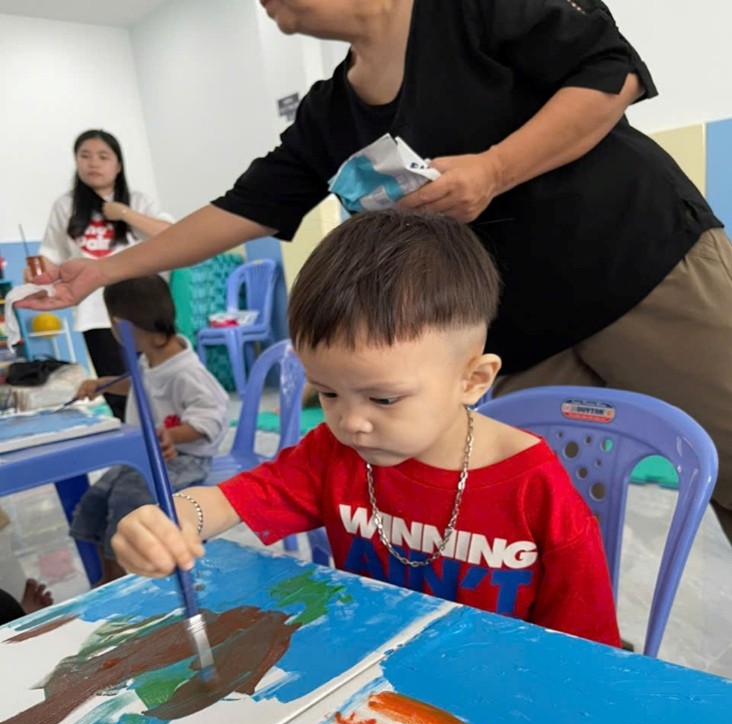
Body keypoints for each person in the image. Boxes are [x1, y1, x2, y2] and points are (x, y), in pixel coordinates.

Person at [20, 2, 732, 548]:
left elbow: (611, 71)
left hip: (645, 268)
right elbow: (243, 208)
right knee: (545, 529)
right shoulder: (330, 114)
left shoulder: (468, 12)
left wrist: (495, 169)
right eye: (329, 393)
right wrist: (100, 272)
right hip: (524, 333)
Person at [112, 211, 621, 648]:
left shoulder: (535, 488)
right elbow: (234, 498)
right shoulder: (331, 453)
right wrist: (179, 517)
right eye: (328, 393)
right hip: (372, 668)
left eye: (384, 399)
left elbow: (586, 649)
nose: (350, 422)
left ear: (472, 380)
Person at [69, 275, 229, 584]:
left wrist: (173, 435)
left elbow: (213, 417)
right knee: (95, 500)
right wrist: (103, 385)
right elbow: (141, 385)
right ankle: (109, 578)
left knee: (126, 502)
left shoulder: (186, 371)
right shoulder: (151, 359)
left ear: (119, 326)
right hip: (148, 454)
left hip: (184, 458)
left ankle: (128, 584)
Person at [27, 129, 173, 418]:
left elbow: (171, 235)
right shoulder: (65, 206)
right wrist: (36, 271)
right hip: (94, 311)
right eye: (85, 156)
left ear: (118, 165)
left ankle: (169, 436)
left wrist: (125, 213)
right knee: (116, 389)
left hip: (143, 306)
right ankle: (132, 439)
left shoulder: (138, 201)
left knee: (157, 382)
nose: (93, 163)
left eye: (103, 156)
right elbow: (52, 255)